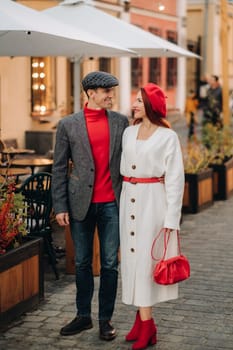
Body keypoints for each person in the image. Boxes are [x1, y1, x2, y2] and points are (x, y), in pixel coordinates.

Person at [51, 71, 129, 341]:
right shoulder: (67, 125)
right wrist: (59, 206)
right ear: (91, 93)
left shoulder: (121, 122)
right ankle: (83, 316)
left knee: (109, 265)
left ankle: (105, 320)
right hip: (79, 205)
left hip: (112, 204)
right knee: (82, 263)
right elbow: (59, 168)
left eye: (112, 91)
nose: (111, 96)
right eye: (106, 91)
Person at [119, 83, 185, 349]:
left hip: (153, 205)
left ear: (151, 105)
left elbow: (175, 180)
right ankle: (141, 319)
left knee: (146, 263)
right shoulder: (128, 132)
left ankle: (148, 327)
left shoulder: (167, 137)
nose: (134, 104)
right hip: (129, 201)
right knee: (132, 261)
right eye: (134, 99)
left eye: (138, 100)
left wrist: (171, 220)